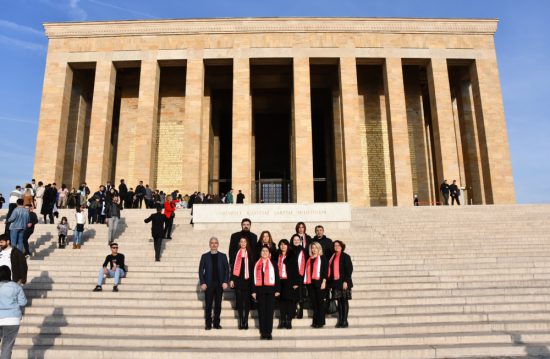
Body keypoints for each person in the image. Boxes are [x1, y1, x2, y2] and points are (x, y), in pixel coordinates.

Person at [198, 237, 229, 330]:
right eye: (212, 243)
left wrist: (225, 281)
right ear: (209, 244)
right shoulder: (204, 256)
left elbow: (227, 270)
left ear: (218, 244)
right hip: (208, 284)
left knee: (218, 305)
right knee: (208, 305)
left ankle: (216, 323)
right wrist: (202, 282)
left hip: (219, 284)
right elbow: (200, 271)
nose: (214, 244)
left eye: (215, 243)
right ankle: (208, 323)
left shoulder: (223, 256)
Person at [251, 246, 280, 340]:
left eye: (266, 251)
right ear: (260, 253)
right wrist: (253, 291)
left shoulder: (273, 264)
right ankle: (263, 332)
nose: (264, 252)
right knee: (262, 312)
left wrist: (277, 290)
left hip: (271, 291)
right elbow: (252, 279)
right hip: (260, 291)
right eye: (263, 251)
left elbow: (277, 278)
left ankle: (269, 332)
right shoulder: (256, 264)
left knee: (269, 312)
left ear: (269, 253)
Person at [0, 265, 27, 359]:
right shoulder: (16, 287)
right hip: (12, 319)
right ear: (9, 275)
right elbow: (23, 302)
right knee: (7, 346)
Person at [229, 237, 254, 330]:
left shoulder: (251, 254)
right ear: (239, 243)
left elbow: (253, 268)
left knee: (247, 301)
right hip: (238, 279)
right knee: (239, 301)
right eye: (241, 241)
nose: (243, 243)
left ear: (247, 243)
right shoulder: (235, 253)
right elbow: (232, 267)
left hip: (248, 279)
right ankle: (241, 320)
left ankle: (246, 320)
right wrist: (232, 279)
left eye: (245, 241)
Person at [274, 239, 299, 329]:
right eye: (281, 244)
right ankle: (282, 320)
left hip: (289, 281)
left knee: (289, 301)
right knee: (281, 302)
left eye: (284, 244)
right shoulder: (276, 255)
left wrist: (296, 282)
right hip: (279, 281)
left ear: (288, 246)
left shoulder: (292, 255)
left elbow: (296, 269)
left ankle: (289, 320)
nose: (282, 246)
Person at [328, 240, 353, 328]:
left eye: (338, 245)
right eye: (335, 245)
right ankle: (340, 319)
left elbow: (349, 270)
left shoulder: (345, 256)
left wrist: (346, 281)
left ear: (342, 246)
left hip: (343, 282)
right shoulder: (333, 257)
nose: (336, 247)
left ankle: (345, 321)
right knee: (339, 301)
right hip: (336, 283)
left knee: (344, 301)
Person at [304, 242, 328, 328]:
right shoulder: (309, 259)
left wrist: (324, 282)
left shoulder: (323, 258)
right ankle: (315, 321)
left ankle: (320, 322)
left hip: (319, 283)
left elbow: (325, 271)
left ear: (319, 249)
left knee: (320, 302)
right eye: (312, 248)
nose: (314, 250)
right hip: (310, 284)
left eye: (315, 248)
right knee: (314, 303)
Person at [290, 234, 307, 319]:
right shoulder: (289, 250)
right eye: (294, 240)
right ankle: (293, 311)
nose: (296, 241)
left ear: (300, 241)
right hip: (291, 275)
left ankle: (300, 312)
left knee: (300, 294)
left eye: (298, 240)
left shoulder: (303, 250)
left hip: (301, 275)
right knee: (292, 294)